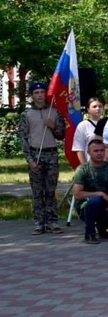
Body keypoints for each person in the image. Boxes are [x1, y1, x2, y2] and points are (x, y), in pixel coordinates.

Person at [18, 81, 66, 235]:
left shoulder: (54, 111)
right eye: (36, 93)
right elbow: (23, 139)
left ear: (46, 94)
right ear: (32, 95)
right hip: (35, 153)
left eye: (42, 92)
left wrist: (53, 126)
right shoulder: (26, 114)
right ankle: (39, 223)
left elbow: (61, 135)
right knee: (37, 191)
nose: (39, 95)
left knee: (50, 190)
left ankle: (52, 222)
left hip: (51, 154)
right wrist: (30, 160)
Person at [72, 139, 108, 244]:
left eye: (101, 150)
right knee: (94, 200)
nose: (99, 153)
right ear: (88, 152)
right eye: (95, 151)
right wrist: (100, 194)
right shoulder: (82, 170)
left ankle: (102, 226)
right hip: (86, 206)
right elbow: (77, 195)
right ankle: (90, 235)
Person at [72, 97, 103, 165]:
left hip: (107, 164)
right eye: (94, 107)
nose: (97, 108)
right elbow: (79, 148)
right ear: (88, 109)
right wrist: (85, 167)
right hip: (91, 164)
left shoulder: (107, 123)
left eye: (100, 106)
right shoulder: (83, 125)